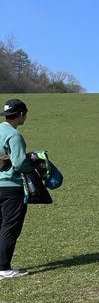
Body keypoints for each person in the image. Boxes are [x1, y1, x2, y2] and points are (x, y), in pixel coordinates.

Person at [0, 99, 36, 278]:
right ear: (21, 114)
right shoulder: (14, 135)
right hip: (11, 188)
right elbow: (19, 162)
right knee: (10, 227)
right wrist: (34, 168)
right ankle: (4, 269)